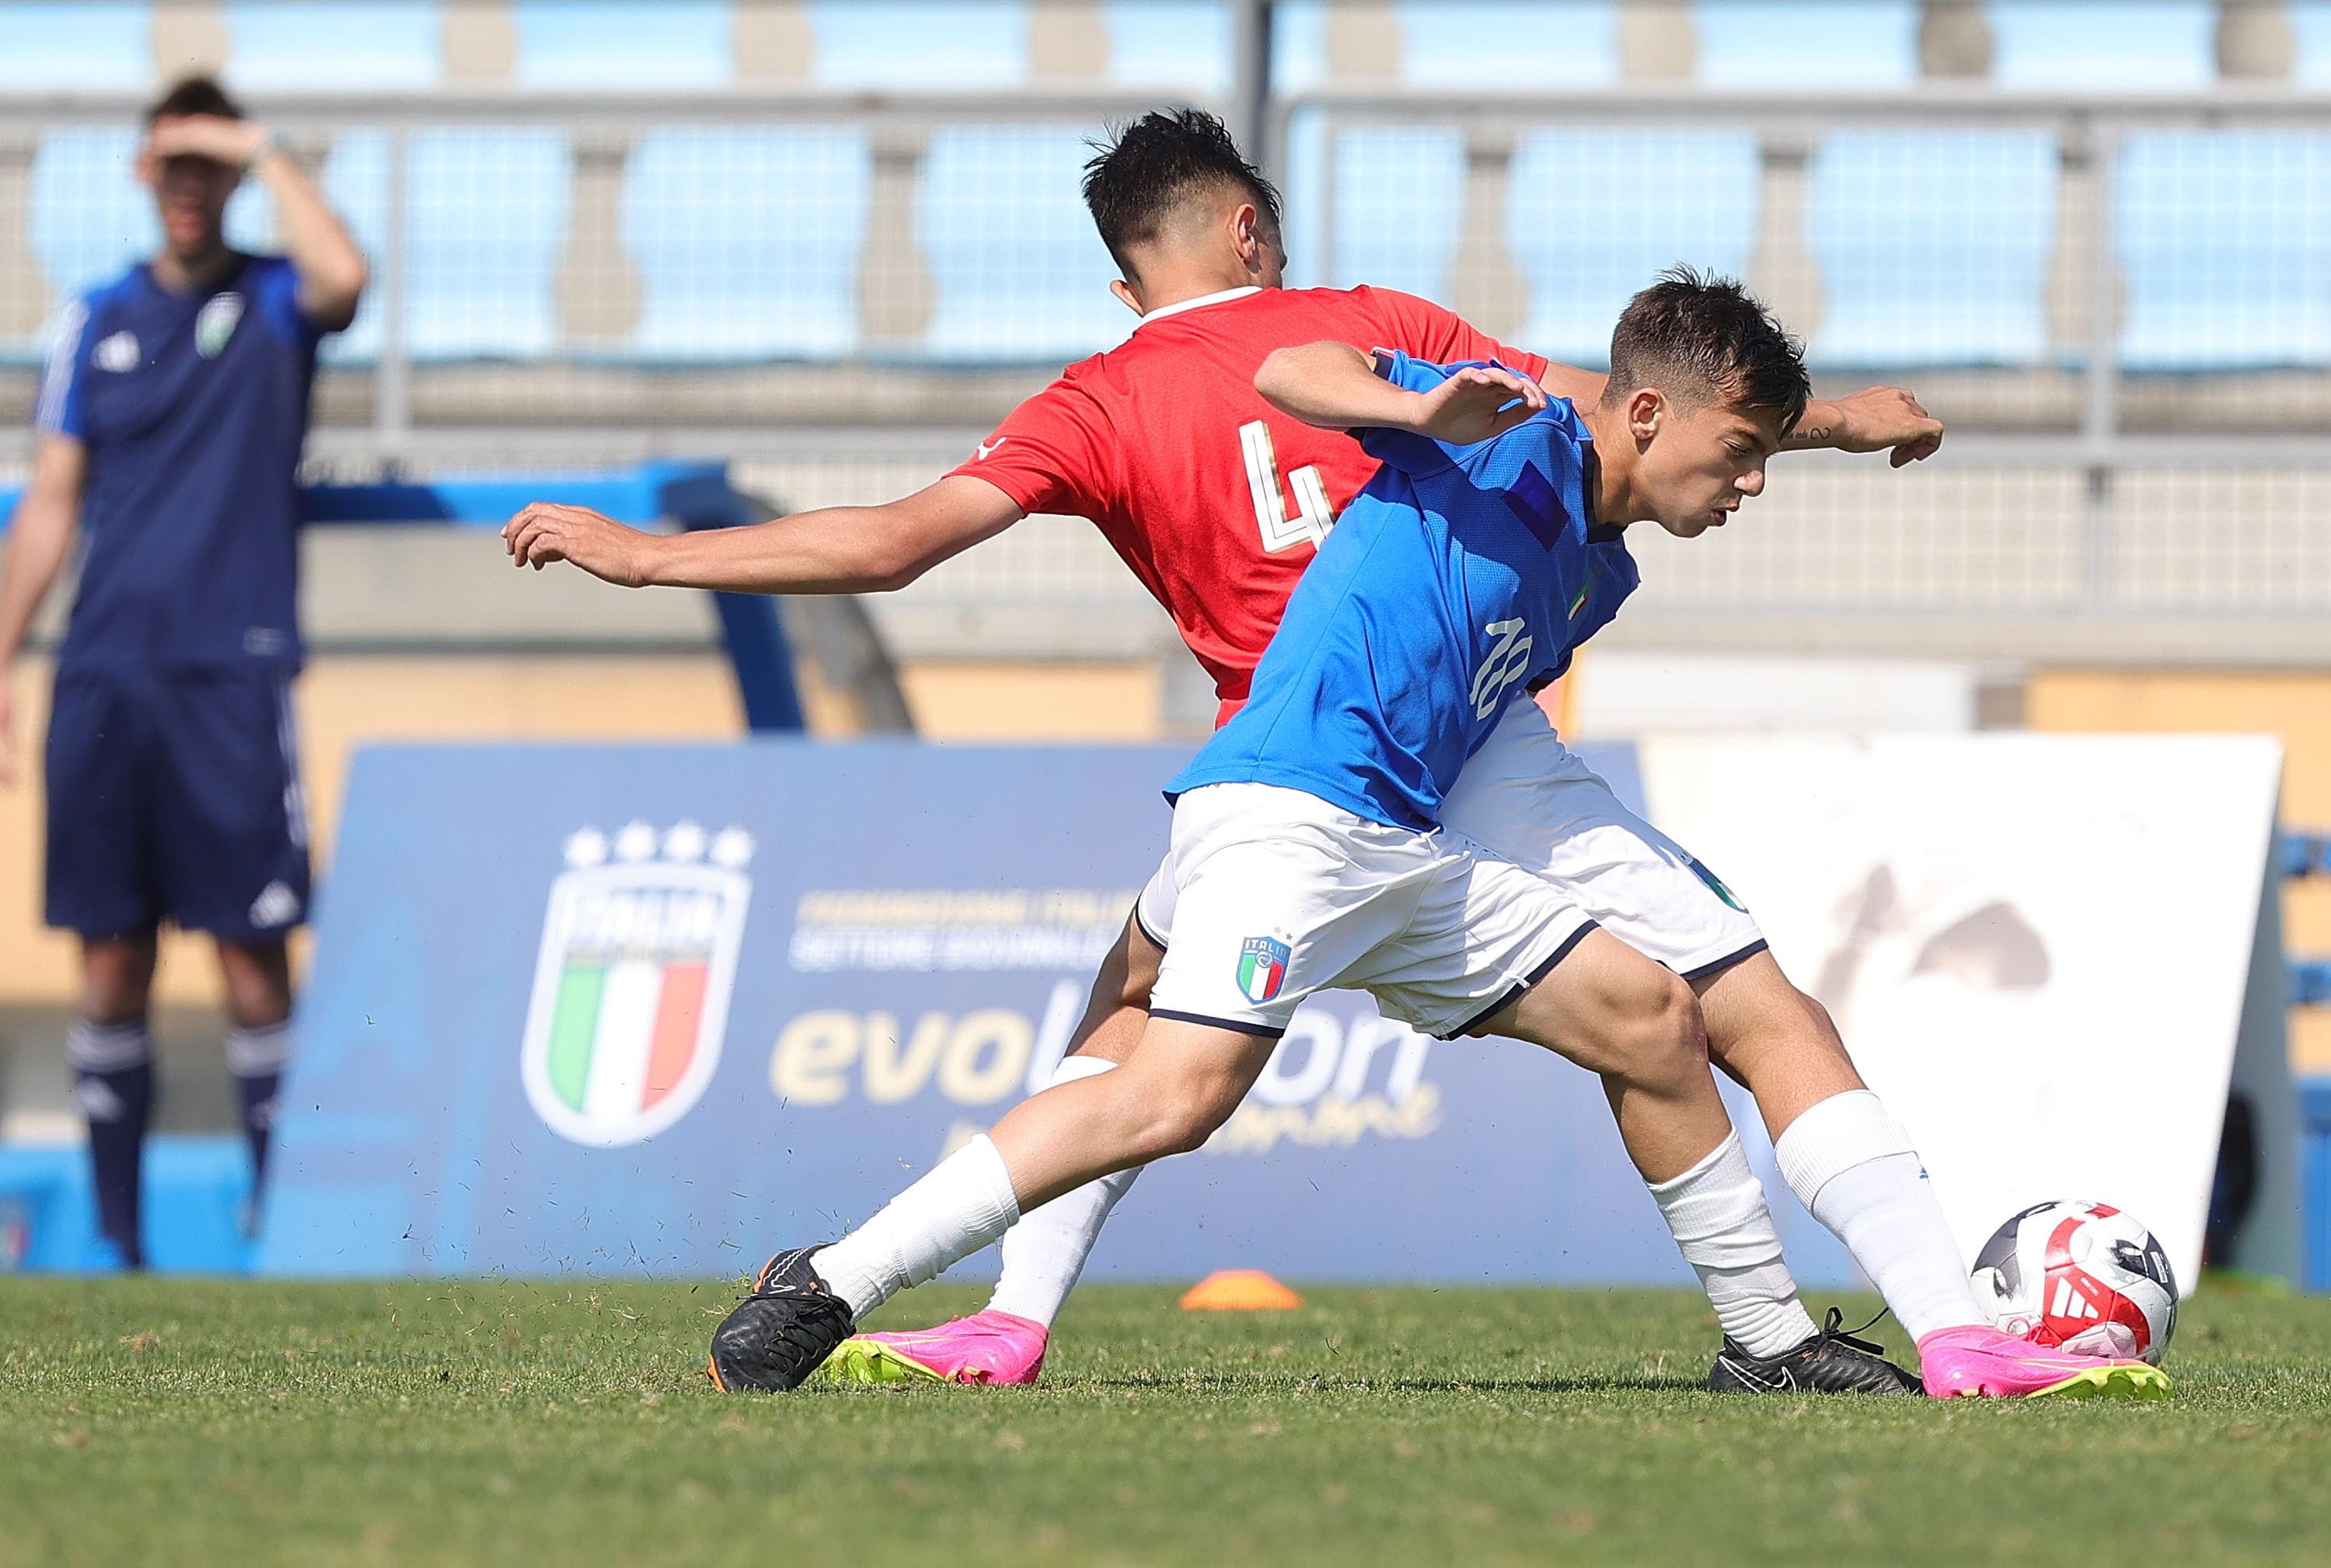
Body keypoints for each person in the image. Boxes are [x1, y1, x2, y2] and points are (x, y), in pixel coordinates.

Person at [503, 109, 1942, 1391]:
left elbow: (889, 544)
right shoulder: (1366, 316)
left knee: (1135, 1005)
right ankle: (1947, 1321)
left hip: (1296, 750)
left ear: (1125, 282)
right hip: (1403, 756)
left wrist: (649, 559)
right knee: (1740, 1005)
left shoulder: (1095, 397)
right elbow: (1611, 400)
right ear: (1253, 226)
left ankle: (1008, 1313)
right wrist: (1828, 424)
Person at [703, 272, 2167, 1402]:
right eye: (1741, 454)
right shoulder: (1513, 427)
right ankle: (826, 1282)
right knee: (1172, 1092)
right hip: (1298, 816)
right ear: (1644, 416)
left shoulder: (1598, 548)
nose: (1753, 483)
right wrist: (1417, 410)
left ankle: (1770, 1345)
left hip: (1411, 851)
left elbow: (1704, 422)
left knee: (1656, 1019)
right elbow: (1292, 371)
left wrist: (1846, 422)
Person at [0, 76, 368, 1266]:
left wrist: (263, 141)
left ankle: (284, 1228)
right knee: (108, 954)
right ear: (144, 178)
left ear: (236, 175)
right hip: (102, 676)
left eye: (210, 166)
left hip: (229, 675)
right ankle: (118, 1244)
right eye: (171, 165)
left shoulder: (271, 302)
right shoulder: (94, 318)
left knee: (251, 955)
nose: (189, 186)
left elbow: (346, 278)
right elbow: (54, 500)